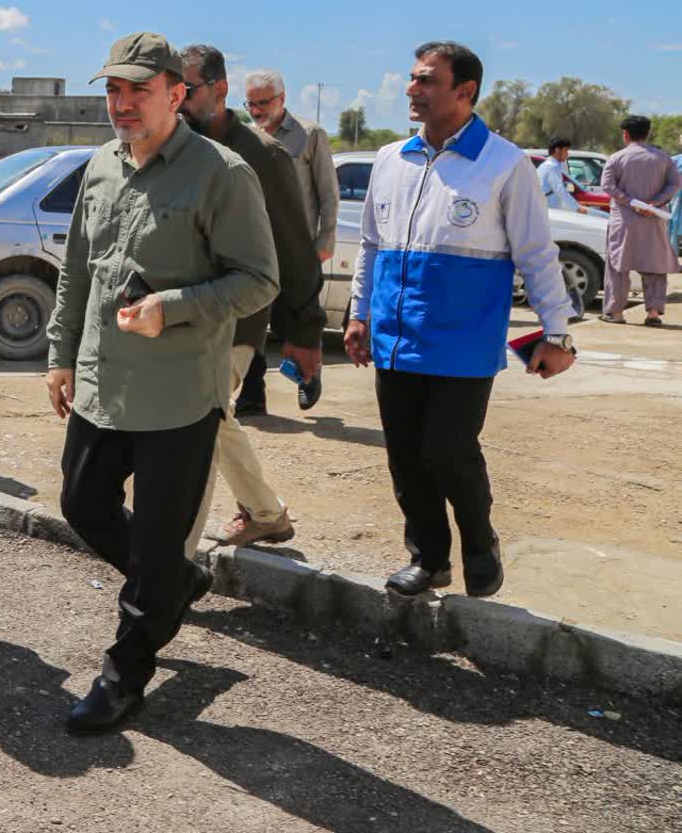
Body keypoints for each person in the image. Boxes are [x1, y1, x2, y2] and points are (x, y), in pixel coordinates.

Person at [47, 33, 278, 734]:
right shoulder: (100, 167)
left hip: (179, 395)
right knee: (83, 503)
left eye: (137, 90)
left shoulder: (222, 174)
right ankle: (174, 583)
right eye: (113, 90)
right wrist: (60, 355)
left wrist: (172, 308)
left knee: (153, 542)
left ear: (177, 95)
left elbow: (259, 279)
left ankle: (124, 676)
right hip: (102, 383)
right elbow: (78, 270)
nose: (121, 103)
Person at [345, 41, 576, 600]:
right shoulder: (390, 159)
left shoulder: (504, 164)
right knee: (405, 456)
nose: (411, 89)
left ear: (464, 91)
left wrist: (557, 331)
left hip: (464, 342)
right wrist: (359, 314)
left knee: (448, 450)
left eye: (426, 80)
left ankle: (479, 542)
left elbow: (538, 253)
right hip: (397, 339)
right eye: (412, 78)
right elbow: (372, 246)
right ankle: (429, 558)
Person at [177, 43, 326, 549]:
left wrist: (304, 332)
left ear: (219, 90)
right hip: (181, 317)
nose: (178, 99)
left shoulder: (261, 156)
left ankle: (176, 558)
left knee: (200, 419)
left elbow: (294, 248)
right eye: (171, 88)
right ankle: (264, 513)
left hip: (237, 320)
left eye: (188, 89)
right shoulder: (177, 146)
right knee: (208, 417)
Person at [238, 68, 339, 413]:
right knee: (250, 320)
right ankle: (252, 393)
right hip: (255, 248)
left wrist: (325, 238)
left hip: (297, 251)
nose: (257, 110)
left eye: (264, 102)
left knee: (297, 320)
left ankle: (309, 376)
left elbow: (328, 193)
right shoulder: (246, 139)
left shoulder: (309, 135)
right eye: (250, 104)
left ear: (282, 99)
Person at [599, 115, 681, 327]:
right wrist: (656, 203)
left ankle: (616, 312)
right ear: (648, 132)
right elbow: (675, 184)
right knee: (654, 267)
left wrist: (631, 202)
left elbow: (608, 186)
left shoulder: (616, 158)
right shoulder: (664, 158)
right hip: (654, 220)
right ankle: (653, 313)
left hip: (624, 221)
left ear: (625, 134)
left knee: (617, 267)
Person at [538, 137, 587, 214]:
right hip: (550, 211)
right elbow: (560, 190)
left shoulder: (544, 165)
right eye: (566, 150)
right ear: (557, 150)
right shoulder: (553, 167)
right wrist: (577, 208)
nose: (567, 154)